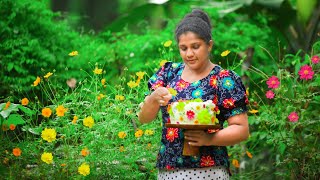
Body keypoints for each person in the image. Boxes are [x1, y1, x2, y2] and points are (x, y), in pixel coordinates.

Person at [138, 9, 249, 180]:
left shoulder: (224, 79)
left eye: (195, 47)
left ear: (209, 45)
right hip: (169, 169)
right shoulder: (168, 73)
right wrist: (153, 98)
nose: (189, 54)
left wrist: (209, 139)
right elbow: (143, 118)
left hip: (209, 170)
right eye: (183, 48)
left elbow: (241, 130)